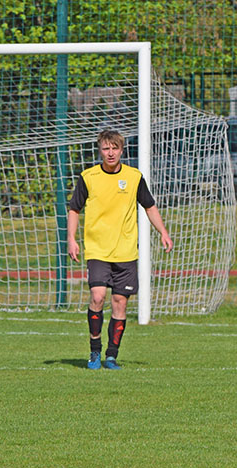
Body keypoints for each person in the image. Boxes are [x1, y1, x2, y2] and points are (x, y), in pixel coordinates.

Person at [67, 130, 173, 370]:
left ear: (122, 150)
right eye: (106, 148)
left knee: (119, 302)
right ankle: (94, 352)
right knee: (97, 296)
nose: (110, 153)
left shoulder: (134, 177)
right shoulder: (88, 177)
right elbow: (74, 209)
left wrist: (163, 232)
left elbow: (149, 206)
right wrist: (71, 239)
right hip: (97, 249)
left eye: (114, 148)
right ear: (100, 151)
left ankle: (111, 356)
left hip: (125, 252)